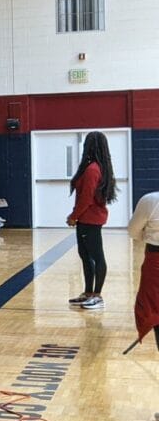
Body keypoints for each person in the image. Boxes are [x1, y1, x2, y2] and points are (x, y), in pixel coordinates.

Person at [68, 131, 117, 311]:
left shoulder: (93, 169)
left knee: (96, 257)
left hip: (91, 219)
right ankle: (88, 293)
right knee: (85, 256)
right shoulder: (94, 167)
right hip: (86, 219)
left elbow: (86, 198)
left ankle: (97, 296)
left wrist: (73, 216)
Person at [128, 191, 159, 356]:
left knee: (155, 308)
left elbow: (133, 231)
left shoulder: (150, 200)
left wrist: (148, 236)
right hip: (155, 261)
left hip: (156, 260)